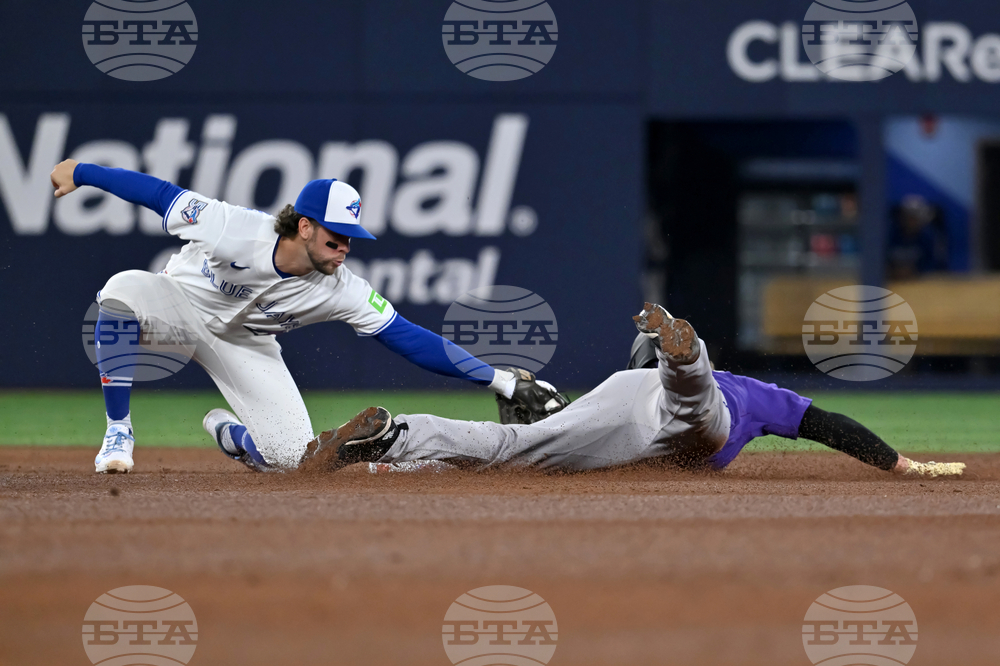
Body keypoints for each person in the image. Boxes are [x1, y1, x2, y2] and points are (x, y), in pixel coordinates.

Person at [50, 159, 549, 474]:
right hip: (178, 305)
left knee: (290, 460)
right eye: (335, 238)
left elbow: (407, 337)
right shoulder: (234, 228)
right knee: (119, 292)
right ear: (304, 227)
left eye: (350, 239)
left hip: (245, 345)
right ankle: (119, 429)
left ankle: (229, 433)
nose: (344, 249)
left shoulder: (341, 287)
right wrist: (84, 172)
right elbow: (158, 193)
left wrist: (501, 381)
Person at [298, 304, 965, 479]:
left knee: (514, 444)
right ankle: (690, 354)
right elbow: (827, 423)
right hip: (694, 408)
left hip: (622, 404)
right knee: (697, 413)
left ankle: (395, 432)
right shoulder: (759, 394)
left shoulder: (620, 378)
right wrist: (898, 464)